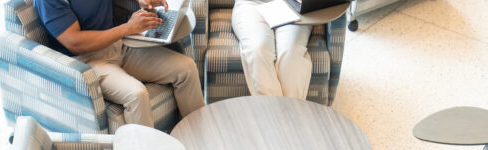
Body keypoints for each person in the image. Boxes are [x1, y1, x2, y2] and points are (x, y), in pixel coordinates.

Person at [34, 0, 205, 127]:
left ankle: (199, 140)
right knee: (137, 94)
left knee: (186, 68)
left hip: (118, 44)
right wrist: (127, 28)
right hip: (86, 63)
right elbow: (75, 43)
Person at [231, 0, 312, 99]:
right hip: (251, 4)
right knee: (257, 49)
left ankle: (280, 112)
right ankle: (285, 112)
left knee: (291, 54)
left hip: (294, 5)